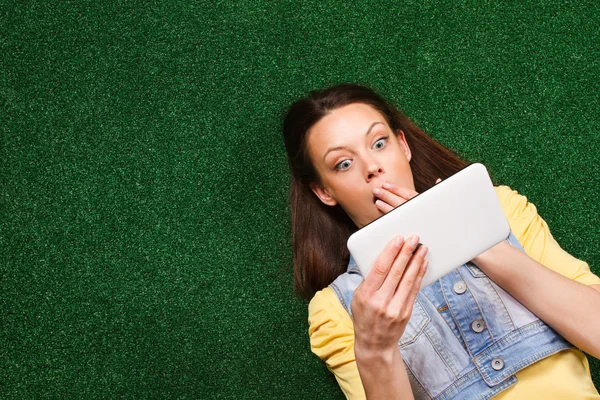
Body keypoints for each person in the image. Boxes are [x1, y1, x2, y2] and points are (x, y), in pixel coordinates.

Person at [282, 84, 600, 399]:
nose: (372, 167)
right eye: (344, 164)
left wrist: (463, 234)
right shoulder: (335, 309)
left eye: (379, 143)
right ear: (323, 191)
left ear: (403, 146)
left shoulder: (500, 209)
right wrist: (375, 350)